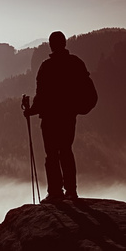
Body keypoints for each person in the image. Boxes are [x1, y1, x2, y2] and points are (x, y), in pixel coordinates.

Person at [23, 31, 91, 203]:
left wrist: (30, 111)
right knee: (66, 151)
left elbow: (41, 96)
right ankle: (71, 191)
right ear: (65, 43)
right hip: (68, 117)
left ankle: (55, 192)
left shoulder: (47, 67)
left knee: (52, 154)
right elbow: (88, 90)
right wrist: (78, 108)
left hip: (50, 119)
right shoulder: (76, 64)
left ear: (51, 45)